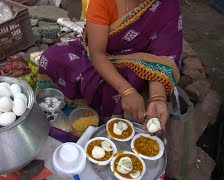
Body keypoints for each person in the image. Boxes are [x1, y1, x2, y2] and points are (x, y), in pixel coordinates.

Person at [37, 0, 182, 129]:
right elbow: (97, 53)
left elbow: (162, 59)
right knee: (50, 57)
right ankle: (63, 104)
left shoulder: (166, 5)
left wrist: (157, 98)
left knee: (132, 80)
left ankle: (111, 124)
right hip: (98, 54)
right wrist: (126, 91)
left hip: (138, 63)